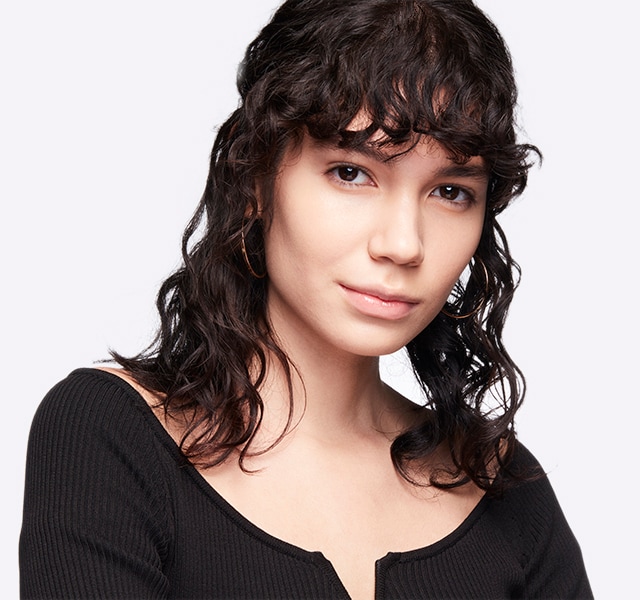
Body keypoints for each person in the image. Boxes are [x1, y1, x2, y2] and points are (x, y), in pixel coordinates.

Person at [19, 0, 592, 598]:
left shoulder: (504, 486)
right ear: (255, 178)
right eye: (351, 172)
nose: (403, 244)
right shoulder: (112, 436)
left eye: (450, 191)